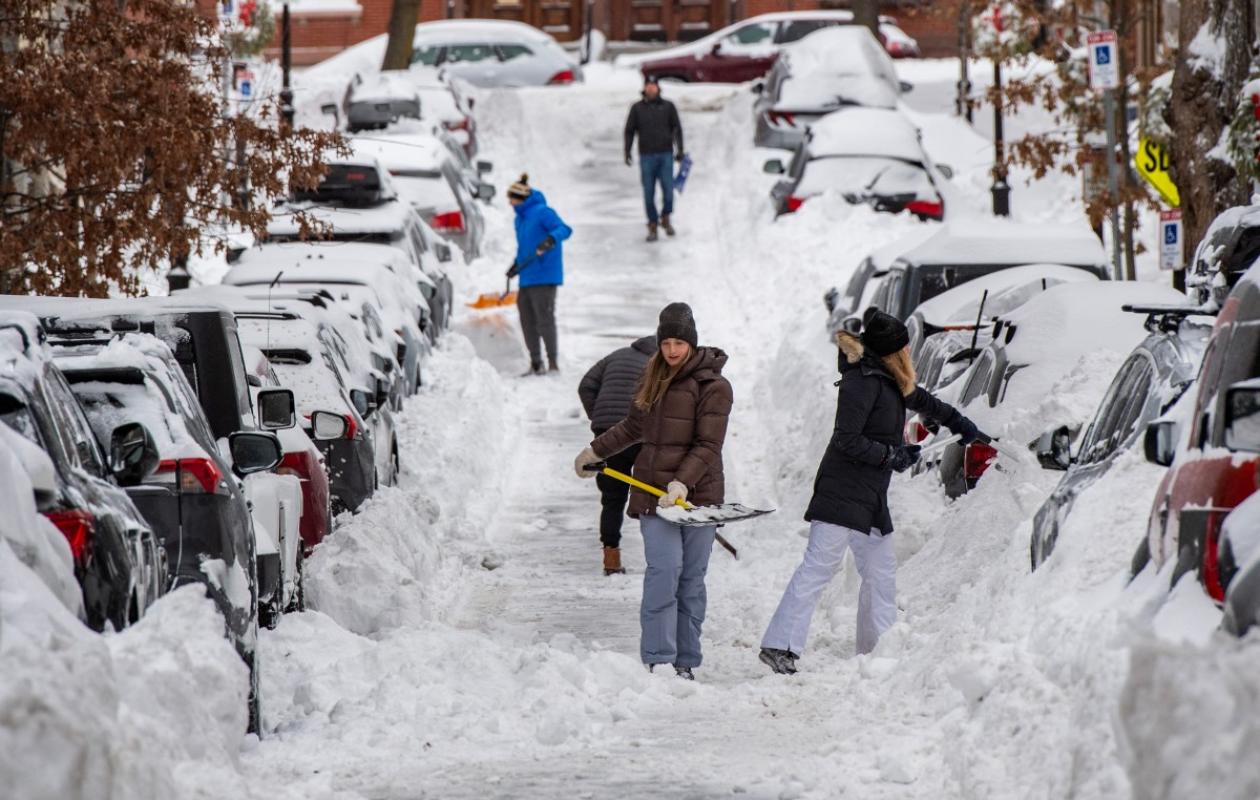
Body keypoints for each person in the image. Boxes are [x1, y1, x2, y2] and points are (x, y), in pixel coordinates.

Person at [758, 309, 982, 675]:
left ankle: (879, 647)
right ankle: (779, 644)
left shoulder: (888, 378)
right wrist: (890, 455)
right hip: (842, 490)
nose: (910, 355)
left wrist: (957, 421)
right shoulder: (861, 383)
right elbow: (846, 439)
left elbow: (922, 400)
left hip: (869, 494)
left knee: (880, 570)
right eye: (906, 350)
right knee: (820, 566)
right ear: (893, 353)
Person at [573, 303, 731, 679]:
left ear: (691, 343)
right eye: (667, 343)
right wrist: (595, 451)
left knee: (690, 581)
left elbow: (709, 445)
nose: (673, 351)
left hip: (698, 500)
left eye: (679, 343)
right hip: (653, 494)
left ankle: (686, 662)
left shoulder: (715, 386)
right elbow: (632, 427)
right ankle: (659, 658)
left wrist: (683, 482)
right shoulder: (652, 378)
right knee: (664, 572)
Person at [578, 335, 657, 576]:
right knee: (650, 493)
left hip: (608, 434)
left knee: (612, 496)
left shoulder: (616, 356)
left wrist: (600, 420)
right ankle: (658, 557)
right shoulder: (657, 365)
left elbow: (586, 386)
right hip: (640, 433)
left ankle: (610, 556)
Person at [507, 174, 572, 376]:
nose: (510, 202)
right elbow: (524, 248)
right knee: (527, 320)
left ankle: (552, 362)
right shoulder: (519, 218)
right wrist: (515, 265)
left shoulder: (543, 212)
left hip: (545, 275)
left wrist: (551, 240)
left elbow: (565, 229)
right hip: (527, 276)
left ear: (521, 198)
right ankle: (536, 363)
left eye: (512, 198)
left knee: (544, 319)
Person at [624, 78, 684, 243]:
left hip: (665, 154)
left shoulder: (668, 107)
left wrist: (680, 150)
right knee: (648, 192)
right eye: (648, 86)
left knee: (668, 190)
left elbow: (677, 129)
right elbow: (629, 131)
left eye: (654, 86)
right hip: (646, 156)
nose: (651, 89)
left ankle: (666, 216)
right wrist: (627, 151)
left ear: (658, 88)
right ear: (644, 88)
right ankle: (652, 223)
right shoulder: (637, 108)